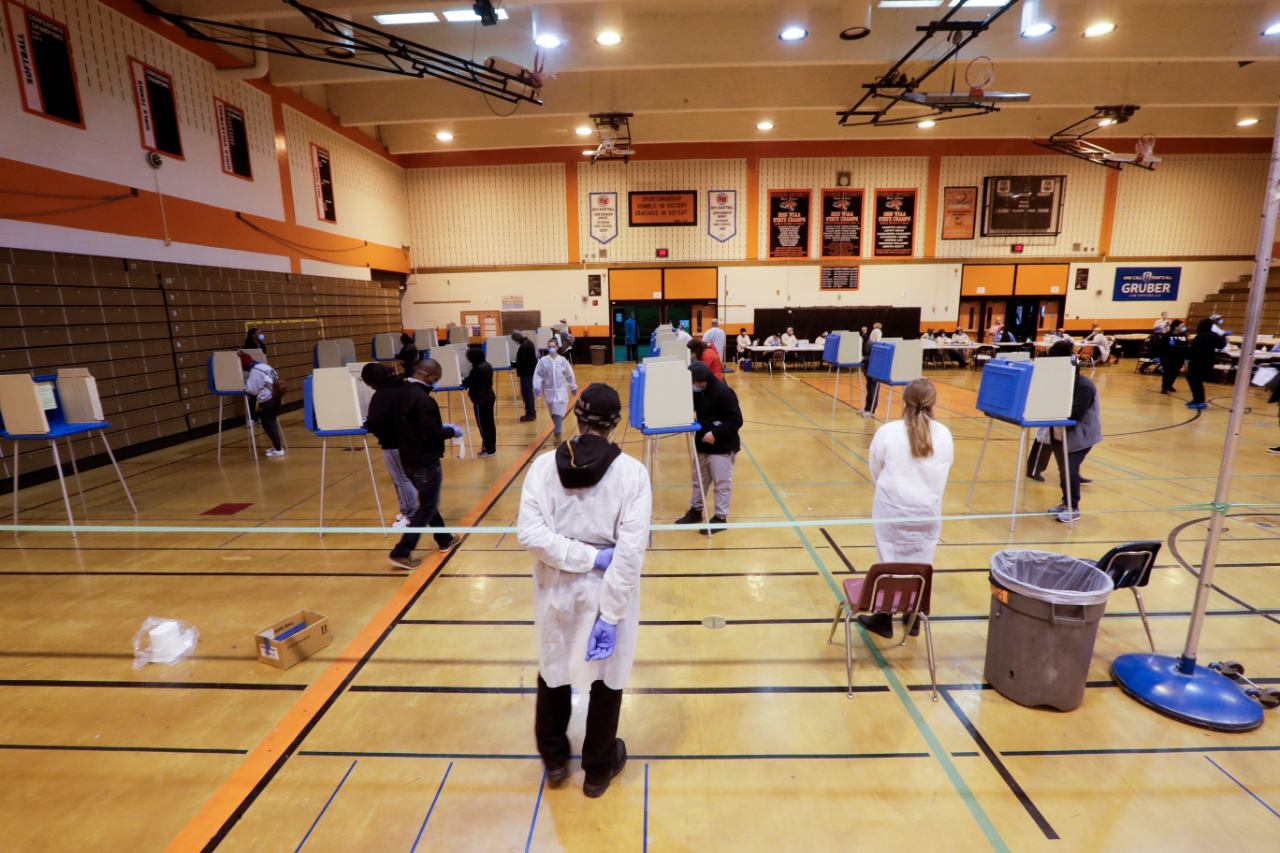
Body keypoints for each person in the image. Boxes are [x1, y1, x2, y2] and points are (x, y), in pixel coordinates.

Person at [517, 383, 651, 798]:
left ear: (577, 417)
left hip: (554, 588)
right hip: (607, 590)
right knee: (607, 680)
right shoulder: (631, 473)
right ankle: (597, 771)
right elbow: (628, 554)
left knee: (554, 670)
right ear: (615, 424)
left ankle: (555, 761)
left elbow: (531, 535)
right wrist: (609, 611)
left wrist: (575, 556)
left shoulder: (542, 468)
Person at [858, 378, 953, 639]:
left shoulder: (888, 432)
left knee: (890, 560)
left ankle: (885, 616)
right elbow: (944, 469)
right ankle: (913, 617)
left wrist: (891, 491)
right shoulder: (944, 434)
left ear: (904, 400)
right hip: (928, 509)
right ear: (933, 403)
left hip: (892, 508)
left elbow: (875, 469)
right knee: (922, 561)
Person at [375, 358, 462, 570]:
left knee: (428, 501)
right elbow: (431, 433)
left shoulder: (400, 393)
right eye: (436, 379)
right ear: (426, 376)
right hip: (425, 460)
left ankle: (444, 539)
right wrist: (451, 431)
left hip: (406, 458)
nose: (436, 383)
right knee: (426, 506)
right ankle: (401, 551)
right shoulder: (423, 400)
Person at [674, 361, 742, 534]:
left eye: (696, 383)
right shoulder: (699, 391)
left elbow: (736, 420)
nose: (694, 386)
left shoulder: (723, 392)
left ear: (703, 380)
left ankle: (720, 518)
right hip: (702, 444)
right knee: (699, 479)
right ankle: (696, 511)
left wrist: (716, 433)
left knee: (721, 482)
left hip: (722, 446)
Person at [1046, 340, 1101, 523]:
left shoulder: (1083, 386)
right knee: (1064, 470)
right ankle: (1066, 502)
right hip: (1061, 433)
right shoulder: (1060, 379)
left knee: (1070, 469)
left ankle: (1073, 508)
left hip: (1081, 436)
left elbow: (1074, 416)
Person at [362, 363, 417, 527]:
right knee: (403, 478)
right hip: (411, 440)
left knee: (401, 479)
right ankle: (406, 510)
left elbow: (375, 421)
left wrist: (369, 426)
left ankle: (411, 516)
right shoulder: (404, 385)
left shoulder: (382, 395)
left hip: (394, 442)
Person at [241, 351, 285, 457]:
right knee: (272, 423)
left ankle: (278, 450)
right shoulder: (263, 366)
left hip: (267, 401)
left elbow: (252, 390)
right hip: (276, 398)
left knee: (269, 425)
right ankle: (276, 447)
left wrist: (244, 387)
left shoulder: (254, 371)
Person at [533, 339, 577, 443]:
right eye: (549, 346)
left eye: (553, 346)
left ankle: (558, 434)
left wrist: (573, 386)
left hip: (561, 391)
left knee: (558, 412)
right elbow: (538, 374)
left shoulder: (562, 361)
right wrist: (537, 386)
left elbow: (569, 374)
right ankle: (557, 429)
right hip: (549, 391)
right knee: (553, 412)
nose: (551, 348)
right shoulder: (543, 361)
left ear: (557, 347)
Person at [463, 347, 497, 457]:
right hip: (489, 396)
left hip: (481, 399)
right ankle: (490, 448)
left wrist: (463, 380)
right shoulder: (487, 365)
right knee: (490, 424)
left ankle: (488, 449)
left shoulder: (477, 369)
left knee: (483, 425)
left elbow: (468, 382)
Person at [1186, 317, 1226, 409]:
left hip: (1197, 361)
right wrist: (1223, 336)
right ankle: (1197, 399)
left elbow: (1192, 349)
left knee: (1193, 380)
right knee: (1197, 381)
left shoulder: (1200, 335)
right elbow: (1221, 345)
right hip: (1208, 361)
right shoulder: (1214, 335)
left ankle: (1199, 400)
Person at [513, 331, 538, 422]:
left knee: (527, 394)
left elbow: (523, 362)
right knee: (527, 393)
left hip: (526, 373)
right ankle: (530, 413)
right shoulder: (528, 343)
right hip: (529, 372)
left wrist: (514, 364)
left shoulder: (524, 346)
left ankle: (530, 414)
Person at [1161, 322, 1189, 394]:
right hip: (1168, 358)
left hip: (1179, 358)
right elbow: (1163, 347)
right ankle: (1164, 387)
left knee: (1175, 372)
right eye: (1181, 326)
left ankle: (1170, 385)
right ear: (1176, 327)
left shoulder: (1183, 336)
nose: (1183, 327)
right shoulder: (1167, 335)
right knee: (1167, 373)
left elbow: (1186, 346)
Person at [863, 323, 884, 416]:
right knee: (869, 387)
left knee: (873, 388)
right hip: (869, 365)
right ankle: (867, 408)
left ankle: (872, 410)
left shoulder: (876, 332)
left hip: (874, 365)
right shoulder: (871, 338)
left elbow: (878, 342)